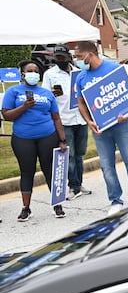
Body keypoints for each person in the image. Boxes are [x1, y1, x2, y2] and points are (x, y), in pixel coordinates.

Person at [73, 40, 128, 216]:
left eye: (79, 57)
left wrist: (126, 114)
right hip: (100, 128)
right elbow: (81, 103)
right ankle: (115, 200)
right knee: (107, 166)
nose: (77, 60)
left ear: (90, 54)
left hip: (122, 125)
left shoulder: (115, 69)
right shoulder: (82, 77)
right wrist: (89, 121)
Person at [1, 59, 68, 221]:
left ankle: (57, 204)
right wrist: (24, 107)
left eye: (36, 71)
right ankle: (26, 208)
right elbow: (6, 115)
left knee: (49, 170)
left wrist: (62, 139)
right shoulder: (14, 91)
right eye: (30, 71)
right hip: (23, 138)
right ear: (22, 74)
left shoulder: (46, 93)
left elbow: (56, 118)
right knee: (27, 172)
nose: (33, 74)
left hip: (47, 136)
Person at [43, 44, 92, 200]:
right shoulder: (50, 74)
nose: (60, 60)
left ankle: (79, 183)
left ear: (69, 57)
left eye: (62, 57)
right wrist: (53, 93)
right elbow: (45, 96)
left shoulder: (79, 72)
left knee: (80, 154)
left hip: (81, 118)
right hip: (64, 119)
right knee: (69, 155)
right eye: (57, 57)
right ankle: (73, 186)